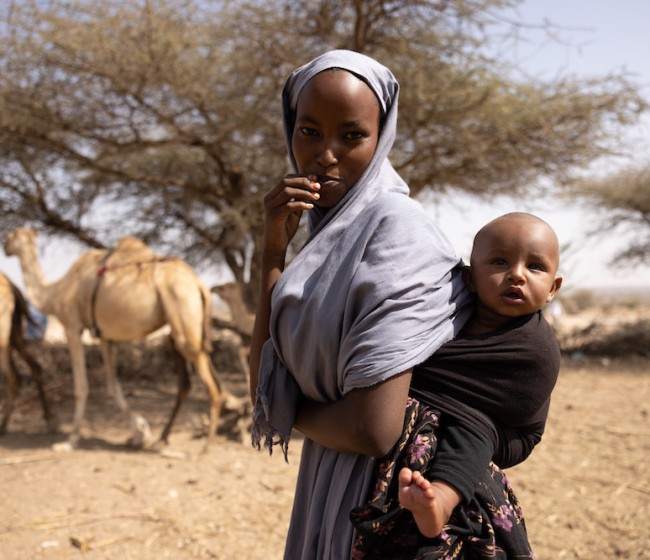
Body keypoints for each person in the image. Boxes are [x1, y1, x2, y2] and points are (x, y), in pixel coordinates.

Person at [249, 50, 472, 560]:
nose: (326, 155)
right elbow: (263, 378)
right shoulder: (326, 239)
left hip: (389, 499)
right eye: (309, 132)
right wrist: (270, 253)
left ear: (382, 136)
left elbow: (373, 429)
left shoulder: (398, 233)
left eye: (352, 136)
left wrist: (285, 409)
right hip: (329, 474)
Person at [351, 212, 563, 558]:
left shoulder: (534, 347)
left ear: (553, 288)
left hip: (507, 429)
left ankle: (441, 502)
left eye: (535, 267)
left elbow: (515, 399)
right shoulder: (446, 316)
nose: (517, 274)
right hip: (465, 413)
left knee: (473, 428)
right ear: (470, 278)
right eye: (499, 262)